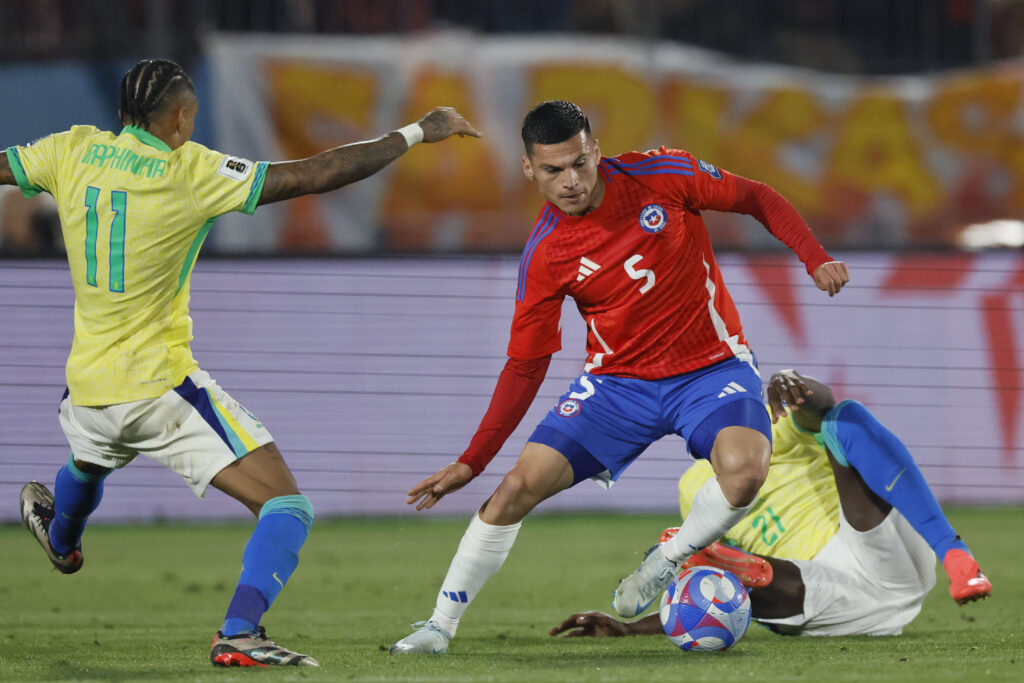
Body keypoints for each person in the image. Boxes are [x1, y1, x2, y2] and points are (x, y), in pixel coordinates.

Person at [3, 58, 480, 668]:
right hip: (158, 390)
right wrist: (417, 132)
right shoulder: (190, 169)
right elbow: (314, 175)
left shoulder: (69, 150)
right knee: (287, 507)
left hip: (87, 389)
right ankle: (239, 632)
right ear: (180, 117)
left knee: (90, 459)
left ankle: (63, 541)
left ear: (122, 113)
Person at [390, 100, 849, 654]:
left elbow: (755, 196)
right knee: (514, 489)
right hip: (616, 387)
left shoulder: (662, 175)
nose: (571, 181)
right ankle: (438, 627)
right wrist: (474, 459)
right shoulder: (545, 254)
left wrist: (813, 256)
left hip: (710, 370)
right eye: (554, 170)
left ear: (596, 151)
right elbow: (526, 364)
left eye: (579, 163)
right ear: (528, 170)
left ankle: (670, 558)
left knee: (746, 472)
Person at [550, 369, 992, 639]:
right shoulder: (693, 489)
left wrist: (795, 384)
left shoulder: (770, 429)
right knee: (705, 571)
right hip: (824, 596)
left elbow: (819, 406)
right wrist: (627, 629)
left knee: (843, 419)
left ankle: (953, 551)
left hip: (875, 546)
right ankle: (739, 568)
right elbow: (706, 598)